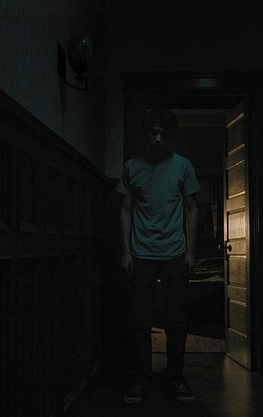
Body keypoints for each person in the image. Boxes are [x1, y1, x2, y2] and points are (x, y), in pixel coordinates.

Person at [117, 108, 200, 404]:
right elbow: (126, 209)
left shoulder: (183, 166)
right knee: (140, 320)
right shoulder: (132, 166)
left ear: (170, 136)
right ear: (146, 133)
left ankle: (176, 378)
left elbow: (192, 208)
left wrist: (191, 251)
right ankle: (141, 379)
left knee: (176, 321)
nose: (158, 138)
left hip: (175, 252)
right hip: (141, 254)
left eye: (163, 133)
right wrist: (126, 251)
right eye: (153, 132)